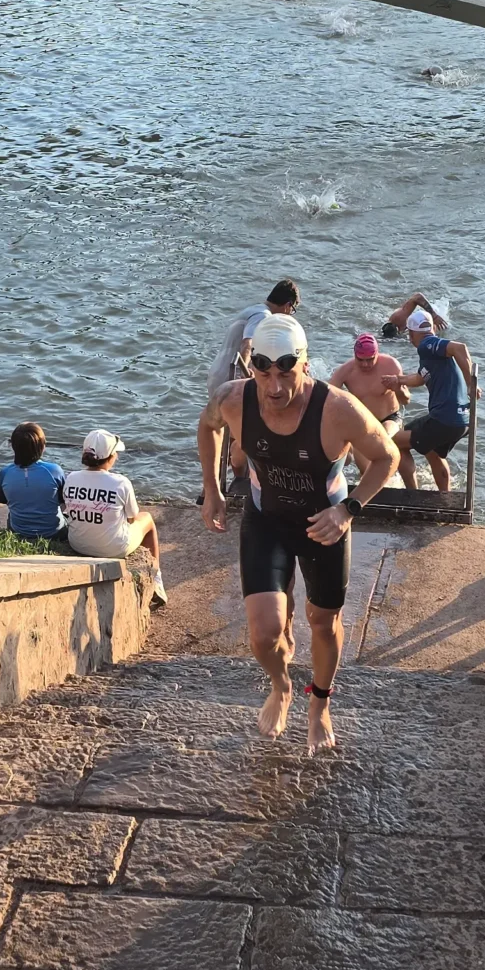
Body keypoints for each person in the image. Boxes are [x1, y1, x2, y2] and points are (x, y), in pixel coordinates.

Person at [197, 313, 399, 754]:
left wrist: (348, 510)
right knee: (263, 635)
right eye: (263, 373)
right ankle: (282, 686)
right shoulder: (233, 398)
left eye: (286, 373)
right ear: (252, 366)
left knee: (323, 623)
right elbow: (208, 426)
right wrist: (212, 489)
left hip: (323, 524)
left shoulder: (338, 409)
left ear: (305, 364)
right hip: (266, 519)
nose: (274, 387)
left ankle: (319, 703)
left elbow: (387, 457)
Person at [63, 428, 169, 606]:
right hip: (114, 548)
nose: (117, 456)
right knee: (148, 519)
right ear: (110, 457)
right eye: (116, 453)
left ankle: (156, 579)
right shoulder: (121, 482)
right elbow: (132, 518)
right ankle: (157, 579)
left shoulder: (71, 478)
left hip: (78, 544)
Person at [384, 294, 476, 493]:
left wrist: (471, 384)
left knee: (393, 442)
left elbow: (460, 348)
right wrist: (398, 380)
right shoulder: (431, 354)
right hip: (462, 421)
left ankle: (413, 493)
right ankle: (445, 495)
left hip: (444, 420)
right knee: (433, 451)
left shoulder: (427, 345)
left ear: (411, 334)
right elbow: (420, 377)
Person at [328, 331, 411, 488]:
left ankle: (387, 484)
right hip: (362, 421)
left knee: (380, 439)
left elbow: (406, 400)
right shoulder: (345, 371)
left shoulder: (391, 365)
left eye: (370, 359)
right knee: (365, 469)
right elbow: (327, 398)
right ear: (355, 355)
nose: (365, 364)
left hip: (390, 418)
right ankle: (373, 489)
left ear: (377, 354)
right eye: (361, 360)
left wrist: (397, 388)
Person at [215, 280, 301, 396]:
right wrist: (243, 371)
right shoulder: (263, 316)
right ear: (288, 306)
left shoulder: (253, 310)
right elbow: (247, 343)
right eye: (292, 311)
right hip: (230, 378)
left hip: (218, 374)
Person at [0, 422, 66, 545]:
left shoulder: (4, 473)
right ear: (42, 447)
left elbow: (3, 500)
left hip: (18, 531)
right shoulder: (54, 470)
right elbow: (63, 500)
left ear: (13, 447)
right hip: (54, 533)